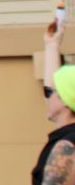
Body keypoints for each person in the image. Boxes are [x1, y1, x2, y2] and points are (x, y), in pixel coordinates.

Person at [31, 18, 75, 184]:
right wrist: (52, 44)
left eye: (53, 93)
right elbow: (54, 85)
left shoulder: (67, 144)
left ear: (65, 100)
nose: (49, 96)